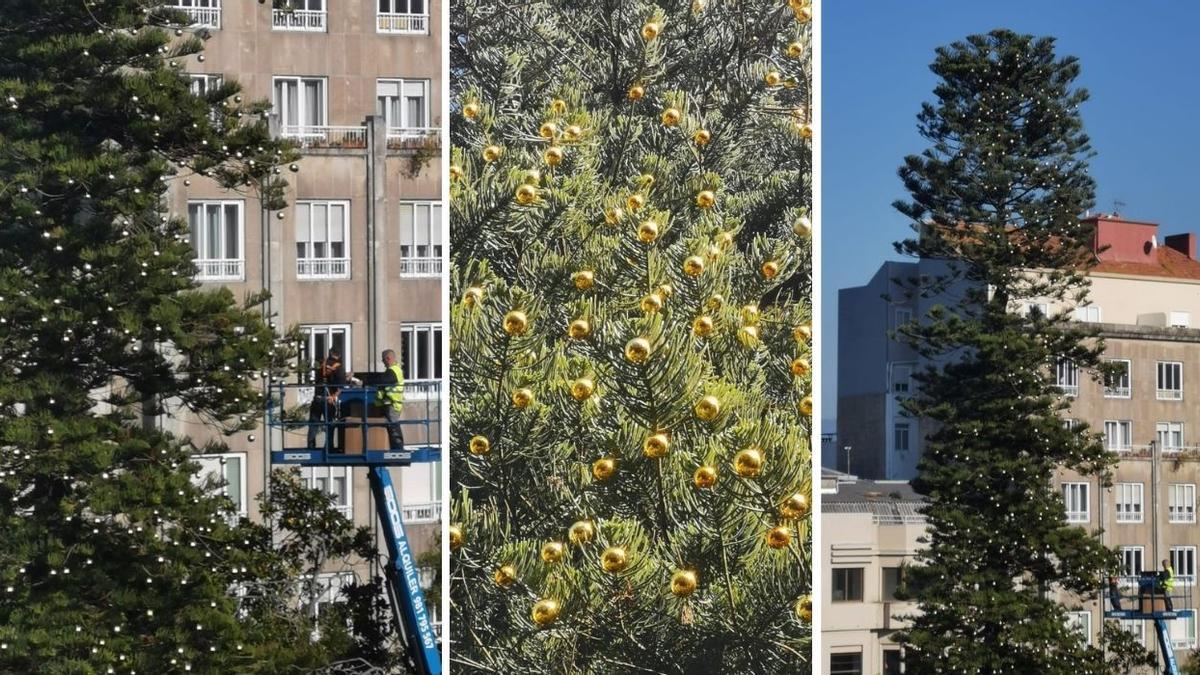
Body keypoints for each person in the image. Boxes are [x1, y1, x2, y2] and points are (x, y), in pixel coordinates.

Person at [306, 348, 346, 451]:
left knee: (314, 424)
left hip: (317, 398)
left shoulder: (321, 364)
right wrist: (334, 396)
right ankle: (329, 446)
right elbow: (341, 386)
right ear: (339, 356)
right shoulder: (338, 367)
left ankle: (311, 446)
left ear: (330, 353)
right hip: (328, 400)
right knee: (330, 423)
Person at [377, 349, 406, 452]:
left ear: (388, 358)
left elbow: (382, 380)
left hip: (392, 404)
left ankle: (398, 448)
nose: (383, 362)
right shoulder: (395, 370)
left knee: (393, 426)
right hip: (391, 403)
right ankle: (397, 448)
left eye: (383, 360)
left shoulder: (393, 371)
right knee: (392, 426)